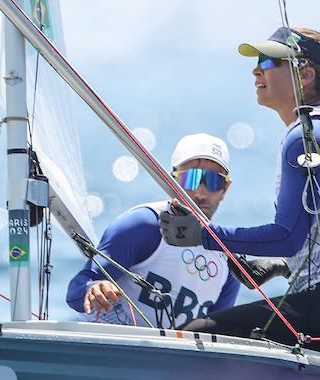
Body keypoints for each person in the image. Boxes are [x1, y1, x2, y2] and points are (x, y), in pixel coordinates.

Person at [158, 27, 320, 355]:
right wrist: (282, 264)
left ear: (306, 75)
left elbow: (287, 235)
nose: (257, 70)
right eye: (257, 62)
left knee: (193, 336)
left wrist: (203, 234)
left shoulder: (310, 134)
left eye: (270, 62)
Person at [66, 133, 240, 327]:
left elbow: (219, 335)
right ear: (172, 179)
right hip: (110, 349)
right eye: (190, 178)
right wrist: (93, 289)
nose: (200, 193)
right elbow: (76, 291)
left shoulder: (228, 260)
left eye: (213, 181)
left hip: (169, 356)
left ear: (226, 188)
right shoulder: (143, 226)